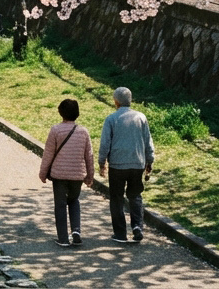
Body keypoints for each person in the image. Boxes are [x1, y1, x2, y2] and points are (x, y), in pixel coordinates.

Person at [98, 87, 155, 244]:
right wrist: (150, 160)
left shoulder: (111, 119)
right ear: (131, 100)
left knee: (116, 198)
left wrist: (102, 162)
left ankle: (120, 233)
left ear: (115, 101)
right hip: (137, 163)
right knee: (135, 196)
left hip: (117, 164)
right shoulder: (141, 117)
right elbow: (147, 141)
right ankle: (137, 227)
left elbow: (105, 143)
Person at [39, 98, 94, 247]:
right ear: (77, 113)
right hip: (77, 175)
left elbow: (48, 153)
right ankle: (76, 230)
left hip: (59, 175)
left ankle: (63, 238)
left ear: (61, 112)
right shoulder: (83, 132)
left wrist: (43, 173)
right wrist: (90, 175)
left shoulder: (56, 130)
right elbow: (88, 155)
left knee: (60, 204)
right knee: (74, 201)